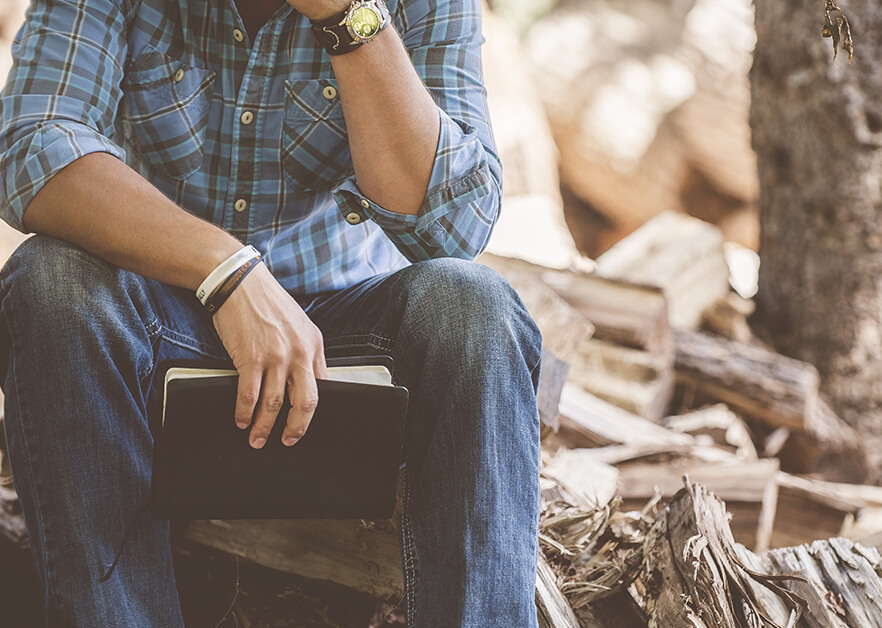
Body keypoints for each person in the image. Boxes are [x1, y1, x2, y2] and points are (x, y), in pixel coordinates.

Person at [0, 0, 542, 625]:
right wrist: (226, 272)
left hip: (344, 350)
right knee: (50, 281)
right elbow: (34, 146)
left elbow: (457, 227)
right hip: (154, 331)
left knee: (475, 310)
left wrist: (346, 15)